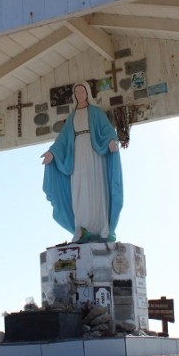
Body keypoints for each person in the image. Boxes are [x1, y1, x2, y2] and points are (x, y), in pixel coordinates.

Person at [41, 82, 123, 243]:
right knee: (79, 188)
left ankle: (101, 227)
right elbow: (63, 139)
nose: (79, 94)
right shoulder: (71, 117)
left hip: (95, 155)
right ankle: (82, 227)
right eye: (76, 92)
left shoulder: (96, 112)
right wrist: (52, 152)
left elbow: (107, 130)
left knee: (96, 186)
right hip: (77, 155)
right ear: (74, 95)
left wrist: (111, 140)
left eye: (82, 91)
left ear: (87, 93)